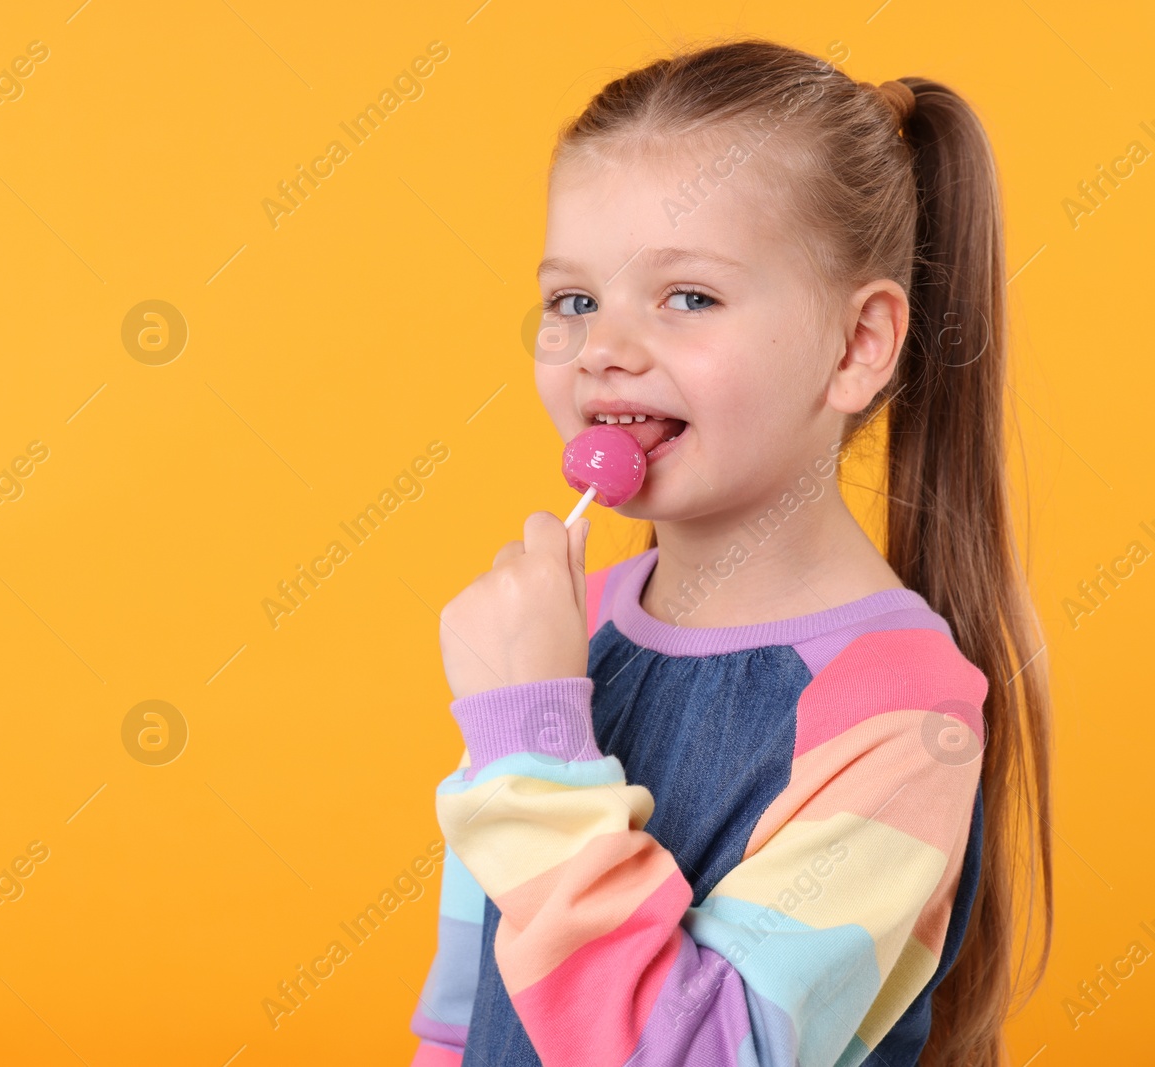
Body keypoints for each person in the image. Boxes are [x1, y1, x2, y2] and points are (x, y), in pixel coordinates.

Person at [406, 37, 1053, 1067]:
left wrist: (530, 748)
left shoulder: (900, 712)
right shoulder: (575, 628)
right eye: (573, 301)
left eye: (688, 297)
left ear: (856, 347)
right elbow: (470, 1002)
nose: (605, 345)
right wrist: (517, 731)